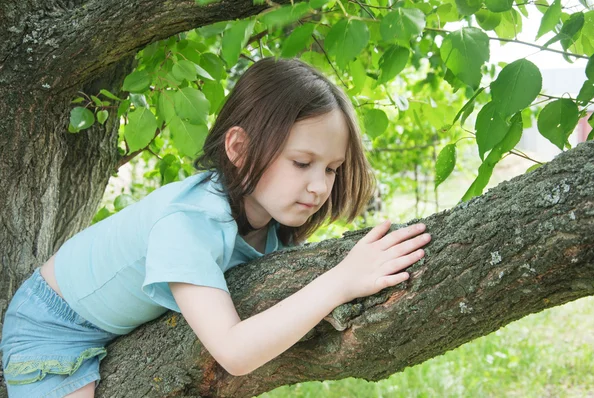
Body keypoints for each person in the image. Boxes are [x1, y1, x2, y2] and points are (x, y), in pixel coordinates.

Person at [0, 57, 430, 397]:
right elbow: (235, 353)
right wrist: (342, 281)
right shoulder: (189, 223)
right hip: (55, 328)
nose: (319, 186)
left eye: (332, 169)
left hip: (116, 320)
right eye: (301, 163)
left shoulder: (270, 222)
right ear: (240, 148)